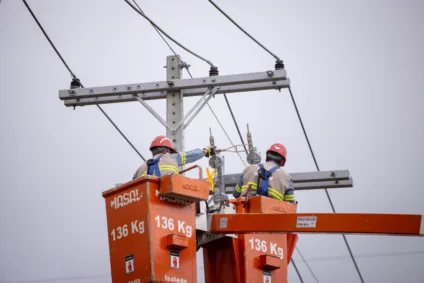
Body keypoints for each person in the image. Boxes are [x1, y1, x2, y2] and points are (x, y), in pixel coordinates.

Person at [132, 135, 215, 179]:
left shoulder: (140, 168)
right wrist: (206, 150)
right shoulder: (172, 158)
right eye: (170, 151)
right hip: (167, 194)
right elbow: (192, 155)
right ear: (165, 150)